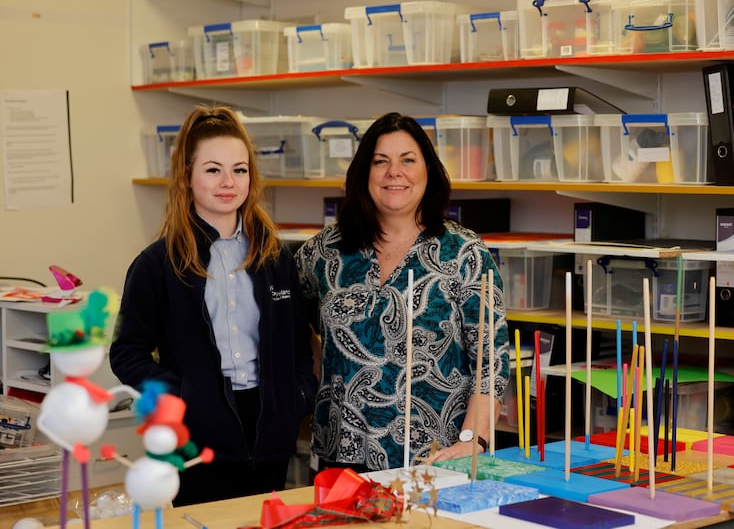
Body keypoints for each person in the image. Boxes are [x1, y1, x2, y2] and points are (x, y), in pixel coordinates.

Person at [109, 106, 317, 505]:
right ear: (187, 176)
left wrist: (298, 397)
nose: (228, 182)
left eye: (239, 170)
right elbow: (126, 353)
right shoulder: (157, 264)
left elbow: (297, 343)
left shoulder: (275, 257)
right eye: (213, 170)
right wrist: (181, 397)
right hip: (197, 437)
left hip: (271, 429)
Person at [294, 112, 509, 472]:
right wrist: (314, 368)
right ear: (364, 174)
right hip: (341, 457)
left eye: (408, 160)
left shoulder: (463, 253)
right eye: (381, 162)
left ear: (429, 171)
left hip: (435, 459)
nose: (395, 172)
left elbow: (491, 360)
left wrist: (473, 441)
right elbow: (282, 314)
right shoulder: (325, 250)